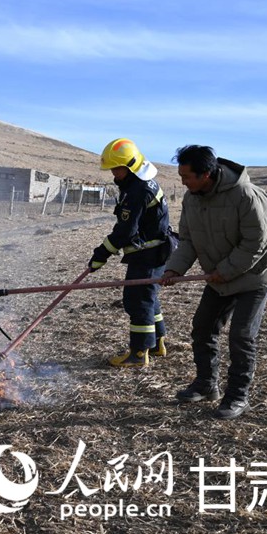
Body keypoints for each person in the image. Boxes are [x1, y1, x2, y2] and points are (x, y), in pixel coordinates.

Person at [162, 145, 267, 420]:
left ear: (206, 174)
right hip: (220, 275)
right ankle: (206, 384)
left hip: (256, 275)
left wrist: (225, 270)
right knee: (203, 327)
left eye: (187, 176)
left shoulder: (247, 196)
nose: (183, 181)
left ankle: (238, 396)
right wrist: (174, 269)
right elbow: (188, 240)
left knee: (241, 335)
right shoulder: (192, 198)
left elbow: (257, 242)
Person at [88, 138, 173, 368]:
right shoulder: (143, 183)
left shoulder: (137, 190)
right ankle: (156, 344)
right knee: (148, 298)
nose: (114, 174)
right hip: (153, 251)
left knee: (137, 301)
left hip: (148, 254)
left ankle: (138, 353)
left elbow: (126, 231)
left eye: (117, 169)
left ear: (131, 166)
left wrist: (100, 254)